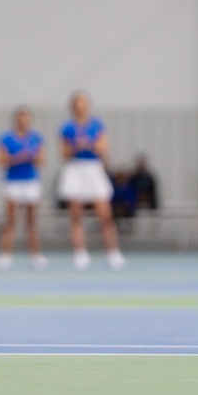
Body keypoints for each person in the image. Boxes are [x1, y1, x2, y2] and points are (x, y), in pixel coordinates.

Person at [57, 91, 125, 271]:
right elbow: (63, 153)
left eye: (84, 103)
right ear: (74, 106)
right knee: (76, 215)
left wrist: (87, 144)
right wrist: (75, 147)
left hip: (93, 168)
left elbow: (103, 148)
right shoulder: (67, 128)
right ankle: (80, 254)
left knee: (105, 215)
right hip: (75, 168)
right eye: (78, 103)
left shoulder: (96, 125)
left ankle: (113, 253)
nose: (81, 106)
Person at [0, 107, 47, 271]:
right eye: (20, 118)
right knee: (10, 220)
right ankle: (5, 255)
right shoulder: (6, 138)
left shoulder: (36, 138)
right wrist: (17, 158)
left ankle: (35, 256)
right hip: (13, 182)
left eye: (26, 118)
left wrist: (31, 157)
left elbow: (41, 160)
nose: (23, 121)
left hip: (31, 181)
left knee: (32, 221)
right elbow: (0, 160)